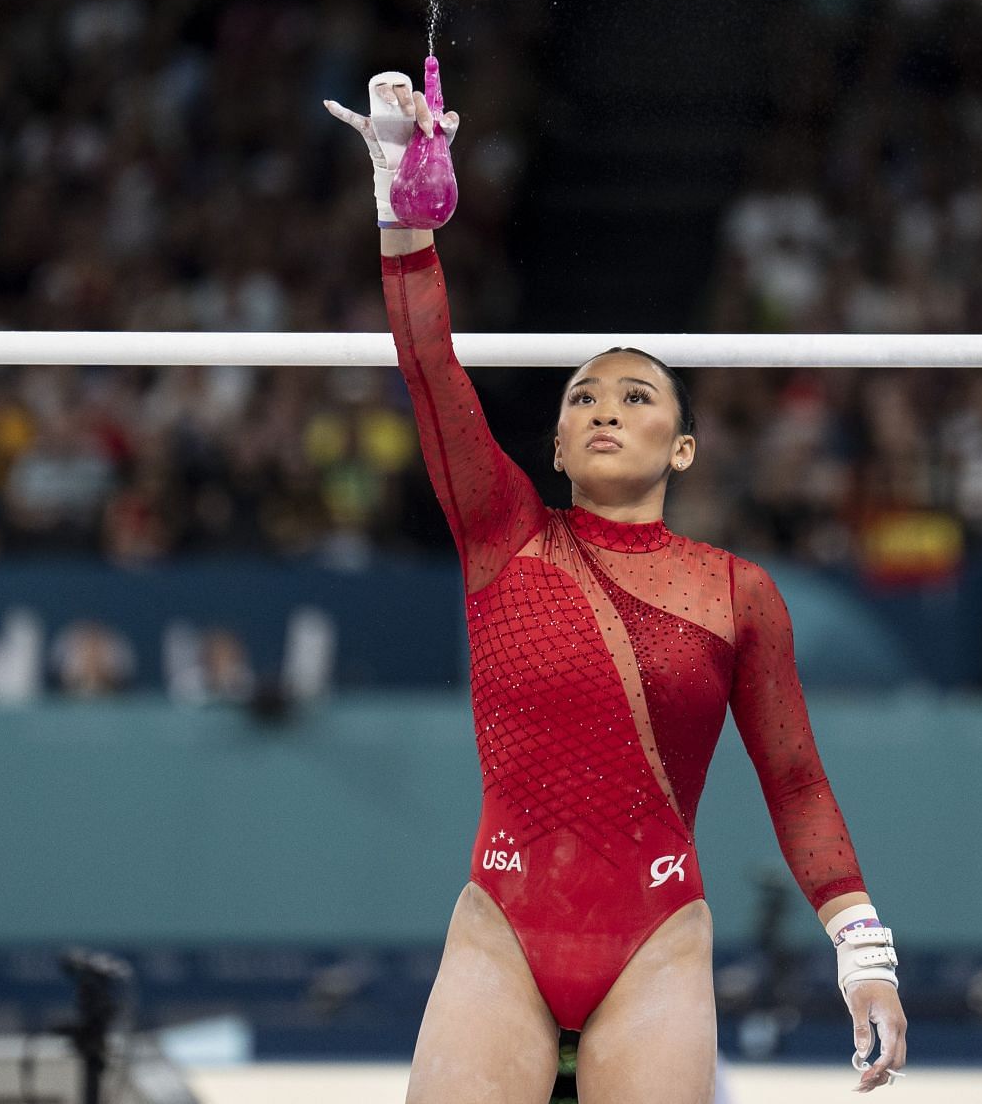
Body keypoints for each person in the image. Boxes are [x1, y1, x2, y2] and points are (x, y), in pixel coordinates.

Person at [326, 73, 906, 1101]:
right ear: (552, 441)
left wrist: (864, 954)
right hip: (502, 927)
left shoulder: (736, 592)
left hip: (655, 935)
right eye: (582, 396)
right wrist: (400, 211)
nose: (604, 407)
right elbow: (428, 367)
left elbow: (797, 779)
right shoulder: (500, 533)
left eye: (636, 396)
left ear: (681, 447)